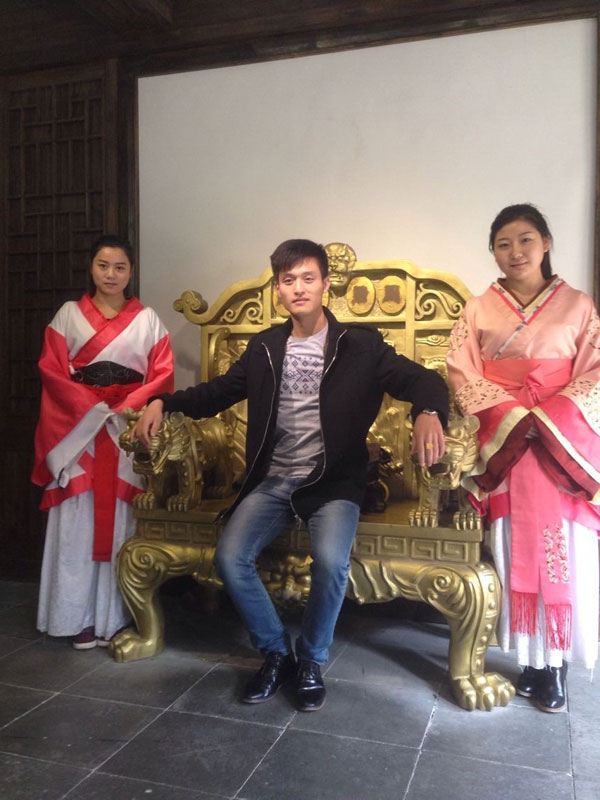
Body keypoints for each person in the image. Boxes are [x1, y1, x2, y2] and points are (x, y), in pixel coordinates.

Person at [134, 238, 448, 711]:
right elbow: (217, 392)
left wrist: (428, 410)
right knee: (230, 558)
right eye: (288, 280)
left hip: (334, 483)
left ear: (325, 284)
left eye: (307, 278)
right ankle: (276, 653)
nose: (298, 288)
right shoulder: (265, 347)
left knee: (331, 563)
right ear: (278, 290)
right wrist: (163, 400)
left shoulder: (360, 345)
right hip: (274, 480)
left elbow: (423, 379)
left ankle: (311, 661)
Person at [447, 204, 600, 713]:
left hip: (560, 450)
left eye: (526, 239)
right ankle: (529, 662)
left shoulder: (579, 305)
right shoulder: (476, 309)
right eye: (503, 243)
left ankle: (556, 665)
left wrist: (547, 419)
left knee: (566, 553)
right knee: (511, 549)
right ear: (493, 251)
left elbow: (594, 373)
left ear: (546, 242)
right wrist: (516, 418)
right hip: (508, 446)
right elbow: (463, 372)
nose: (515, 252)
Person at [32, 235, 174, 649]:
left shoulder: (148, 320)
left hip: (124, 430)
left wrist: (124, 410)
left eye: (120, 267)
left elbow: (162, 377)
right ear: (91, 268)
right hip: (79, 433)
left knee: (123, 526)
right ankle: (72, 617)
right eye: (103, 265)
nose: (111, 275)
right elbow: (53, 372)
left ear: (131, 272)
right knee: (76, 524)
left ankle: (115, 618)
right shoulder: (67, 315)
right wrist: (93, 410)